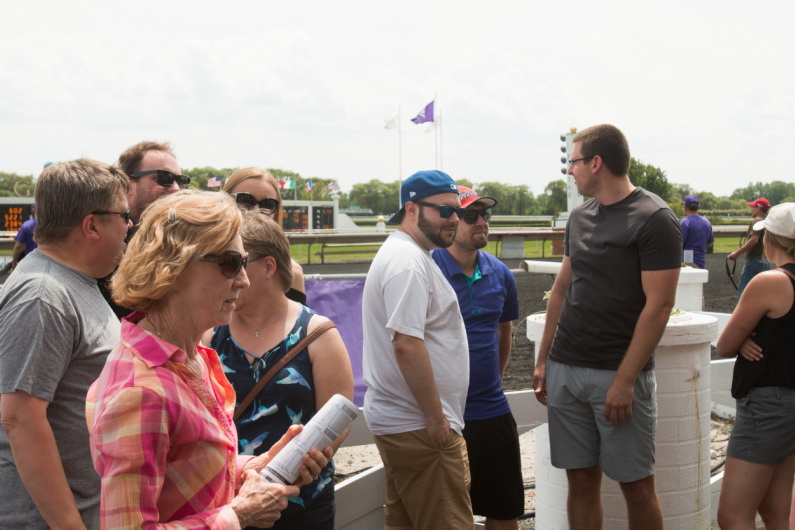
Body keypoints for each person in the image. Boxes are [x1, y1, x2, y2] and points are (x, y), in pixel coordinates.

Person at [86, 190, 329, 528]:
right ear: (173, 268)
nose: (243, 280)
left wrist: (258, 467)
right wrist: (239, 515)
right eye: (230, 263)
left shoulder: (191, 356)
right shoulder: (141, 392)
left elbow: (189, 469)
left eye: (244, 263)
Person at [532, 124, 681, 530]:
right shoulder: (579, 217)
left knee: (637, 486)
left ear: (596, 163)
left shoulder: (654, 218)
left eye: (574, 162)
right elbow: (561, 289)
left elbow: (660, 306)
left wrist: (625, 379)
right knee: (579, 479)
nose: (569, 170)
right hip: (566, 368)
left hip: (618, 375)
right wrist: (544, 361)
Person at [0, 159, 131, 528]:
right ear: (92, 225)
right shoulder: (43, 294)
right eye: (123, 215)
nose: (129, 225)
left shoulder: (71, 282)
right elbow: (20, 418)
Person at [207, 211, 354, 529]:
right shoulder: (210, 333)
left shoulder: (318, 334)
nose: (226, 275)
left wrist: (316, 457)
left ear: (269, 267)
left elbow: (337, 421)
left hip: (300, 507)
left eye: (234, 262)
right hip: (228, 507)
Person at [362, 169, 473, 530]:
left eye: (458, 211)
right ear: (411, 209)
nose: (455, 219)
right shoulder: (407, 262)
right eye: (445, 210)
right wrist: (436, 419)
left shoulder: (408, 255)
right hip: (419, 426)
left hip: (408, 423)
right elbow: (407, 344)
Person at [432, 186, 524, 529]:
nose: (482, 222)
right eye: (471, 216)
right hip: (443, 416)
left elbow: (504, 330)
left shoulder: (501, 273)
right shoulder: (428, 270)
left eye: (485, 214)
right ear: (451, 221)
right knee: (445, 517)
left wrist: (494, 379)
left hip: (492, 410)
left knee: (505, 510)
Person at [716, 202, 795, 529]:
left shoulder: (770, 282)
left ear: (770, 239)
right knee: (776, 512)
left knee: (732, 516)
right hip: (789, 404)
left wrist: (744, 337)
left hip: (767, 405)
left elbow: (724, 345)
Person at [99, 140, 190, 318]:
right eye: (164, 178)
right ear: (128, 183)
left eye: (181, 181)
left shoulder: (182, 239)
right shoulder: (107, 238)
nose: (175, 188)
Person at [223, 167, 306, 304]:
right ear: (224, 201)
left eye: (267, 205)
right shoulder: (203, 262)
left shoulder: (292, 273)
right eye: (245, 201)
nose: (256, 211)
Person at [729, 197, 773, 298]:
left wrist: (736, 253)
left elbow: (754, 240)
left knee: (744, 292)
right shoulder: (767, 221)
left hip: (754, 259)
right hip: (766, 260)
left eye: (753, 207)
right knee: (763, 293)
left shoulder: (757, 221)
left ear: (759, 208)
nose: (751, 209)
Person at [680, 194, 713, 269]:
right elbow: (709, 244)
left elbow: (679, 244)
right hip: (700, 261)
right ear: (698, 207)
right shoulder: (707, 222)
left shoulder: (684, 222)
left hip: (686, 261)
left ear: (685, 207)